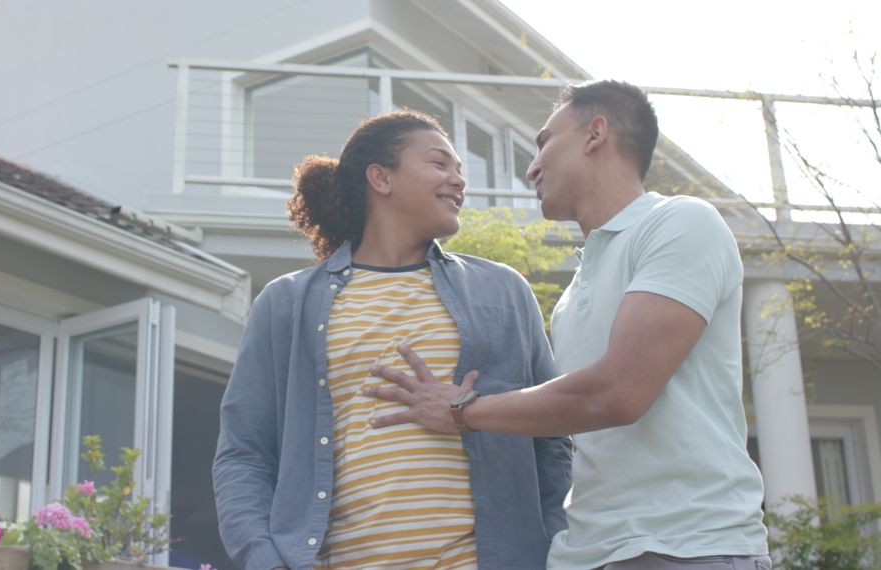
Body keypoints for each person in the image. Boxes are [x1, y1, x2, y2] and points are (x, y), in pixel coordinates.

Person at [364, 81, 770, 570]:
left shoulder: (682, 223)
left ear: (595, 133)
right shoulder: (574, 291)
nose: (531, 167)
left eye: (543, 143)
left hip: (687, 546)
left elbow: (617, 392)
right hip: (585, 554)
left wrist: (462, 408)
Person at [213, 110, 572, 570]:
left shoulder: (501, 291)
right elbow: (244, 455)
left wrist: (552, 548)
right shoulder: (286, 304)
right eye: (441, 164)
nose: (459, 181)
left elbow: (552, 434)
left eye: (461, 170)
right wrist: (265, 560)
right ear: (380, 178)